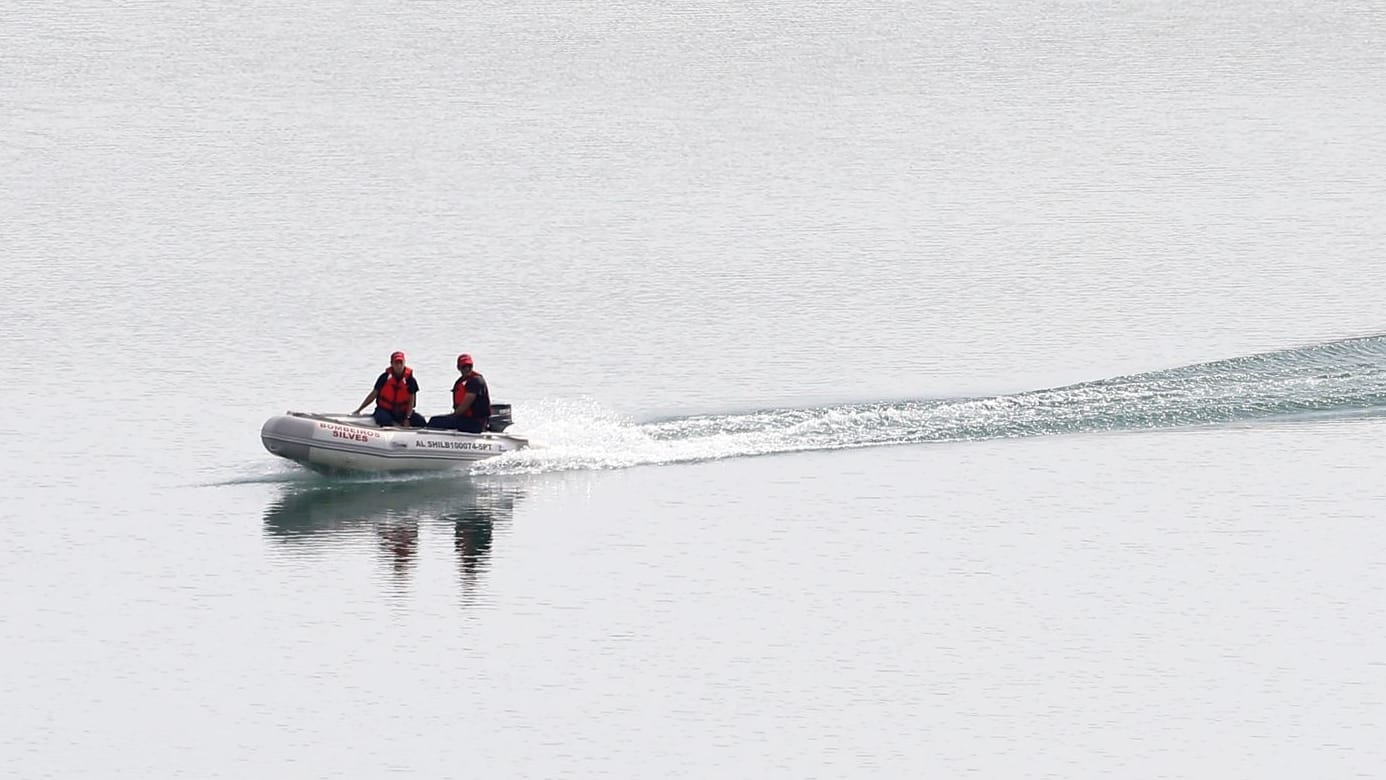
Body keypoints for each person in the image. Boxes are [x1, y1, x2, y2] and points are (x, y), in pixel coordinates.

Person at [353, 351, 427, 427]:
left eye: (401, 363)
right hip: (385, 410)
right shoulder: (384, 377)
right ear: (391, 363)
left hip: (402, 412)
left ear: (404, 363)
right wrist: (359, 409)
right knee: (383, 418)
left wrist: (407, 418)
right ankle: (396, 426)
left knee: (420, 420)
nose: (399, 366)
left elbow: (412, 402)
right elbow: (373, 395)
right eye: (396, 363)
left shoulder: (410, 380)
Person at [427, 353, 492, 433]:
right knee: (435, 420)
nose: (467, 369)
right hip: (465, 419)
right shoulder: (460, 381)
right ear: (459, 368)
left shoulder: (476, 381)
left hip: (476, 423)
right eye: (464, 367)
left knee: (435, 422)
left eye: (469, 366)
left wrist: (452, 416)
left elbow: (464, 407)